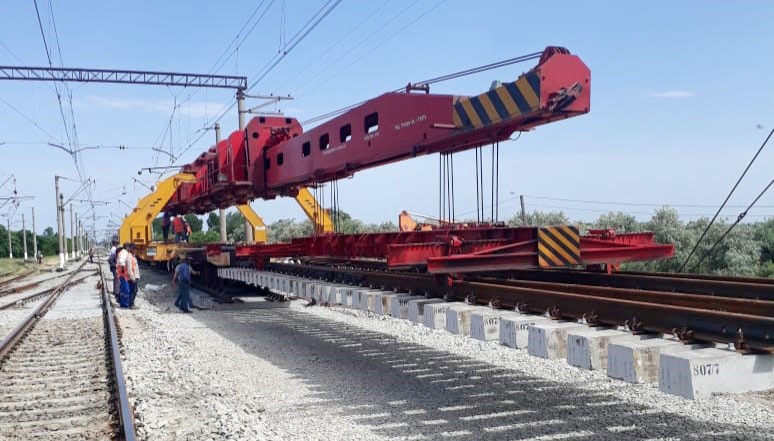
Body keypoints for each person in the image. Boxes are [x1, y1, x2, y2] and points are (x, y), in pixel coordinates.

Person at [116, 243, 131, 307]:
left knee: (122, 289)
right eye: (129, 247)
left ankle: (122, 303)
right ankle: (125, 303)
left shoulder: (122, 252)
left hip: (121, 273)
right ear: (127, 247)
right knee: (126, 289)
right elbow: (121, 261)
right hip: (124, 274)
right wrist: (124, 268)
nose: (130, 248)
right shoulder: (124, 253)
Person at [126, 244, 140, 308]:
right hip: (132, 278)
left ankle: (131, 303)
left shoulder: (133, 256)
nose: (136, 250)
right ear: (132, 249)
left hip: (135, 276)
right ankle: (131, 304)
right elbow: (129, 269)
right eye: (135, 249)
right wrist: (133, 278)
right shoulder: (129, 257)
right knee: (133, 291)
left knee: (135, 290)